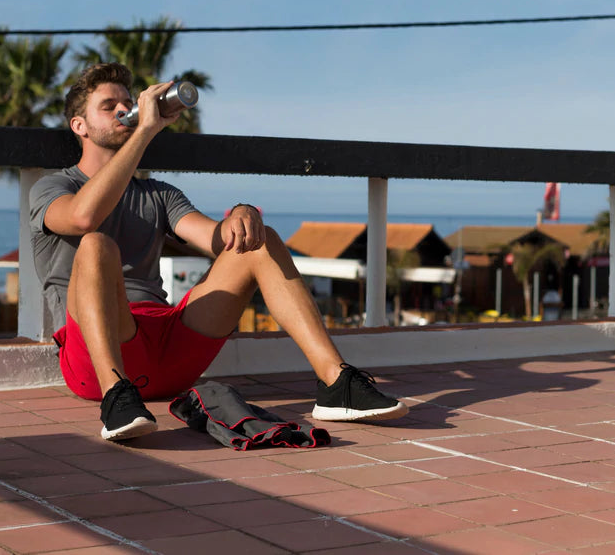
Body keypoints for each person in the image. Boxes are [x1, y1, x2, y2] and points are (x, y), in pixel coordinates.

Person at [30, 63, 408, 441]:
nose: (122, 110)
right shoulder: (53, 187)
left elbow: (219, 239)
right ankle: (117, 398)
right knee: (96, 244)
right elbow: (83, 217)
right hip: (97, 361)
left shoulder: (158, 194)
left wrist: (243, 212)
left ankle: (335, 383)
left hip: (168, 351)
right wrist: (145, 132)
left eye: (127, 103)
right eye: (107, 105)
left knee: (261, 239)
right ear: (79, 126)